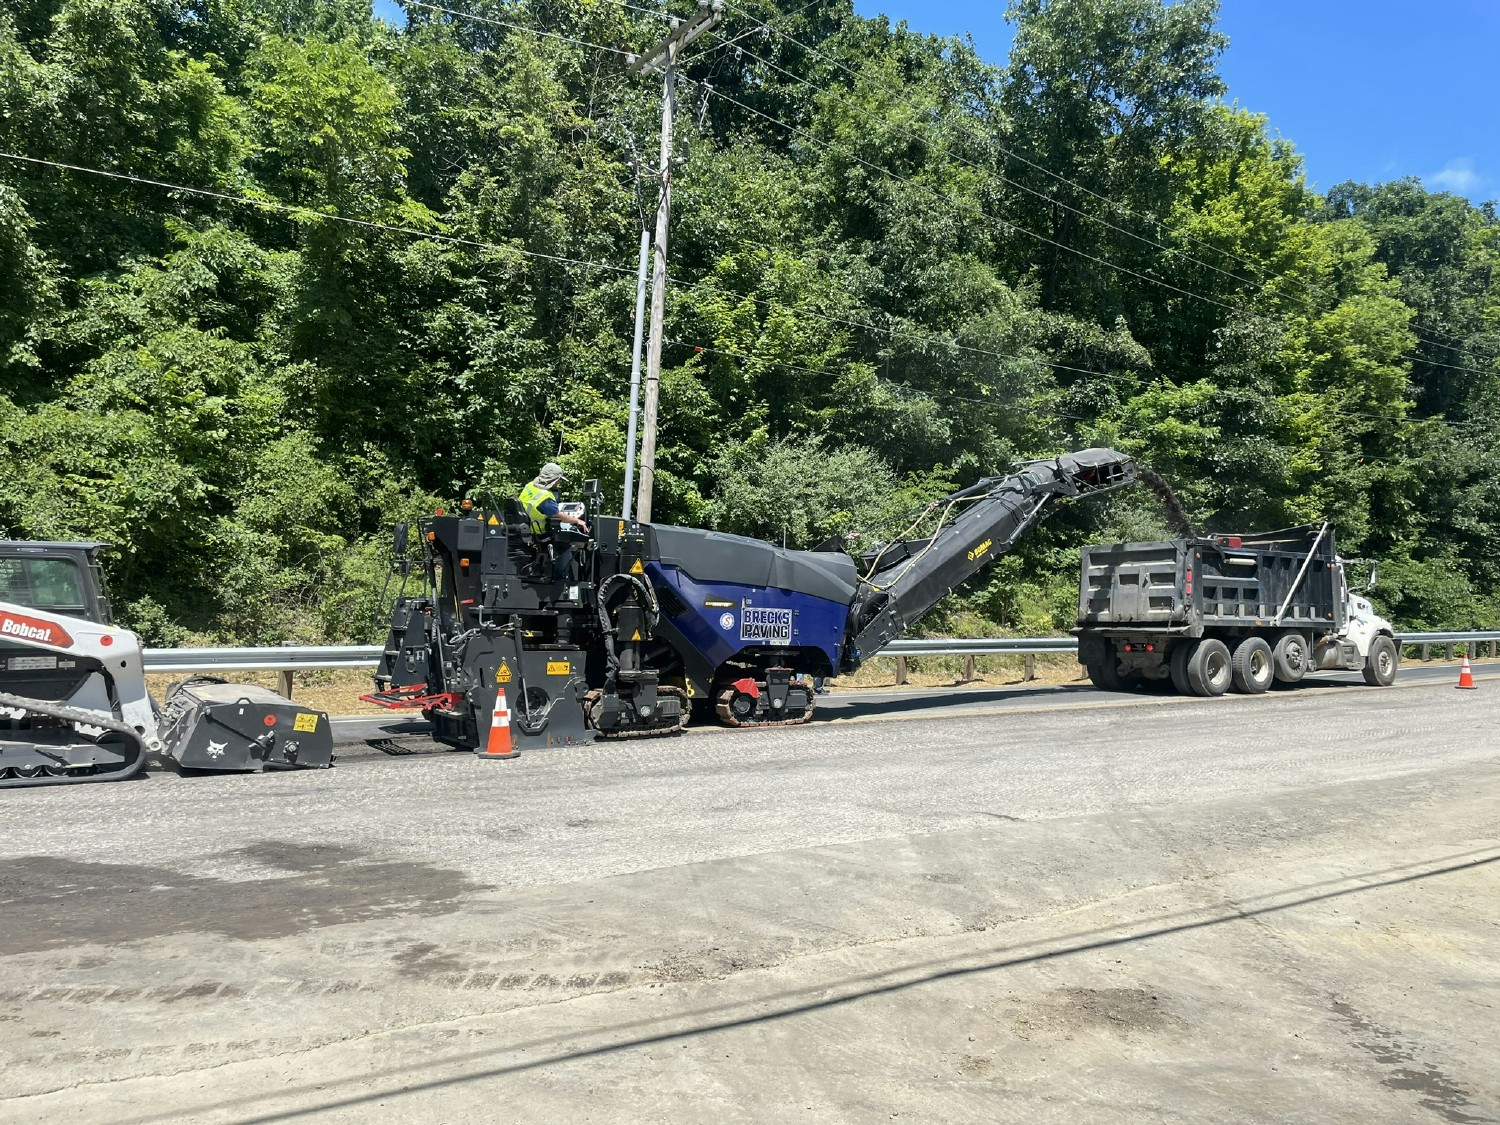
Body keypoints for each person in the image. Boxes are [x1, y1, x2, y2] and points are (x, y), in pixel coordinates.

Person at [518, 462, 589, 582]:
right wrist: (578, 521)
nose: (559, 483)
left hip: (525, 528)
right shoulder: (545, 497)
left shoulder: (530, 486)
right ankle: (559, 580)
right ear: (553, 480)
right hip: (538, 533)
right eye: (559, 480)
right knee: (566, 548)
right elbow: (559, 515)